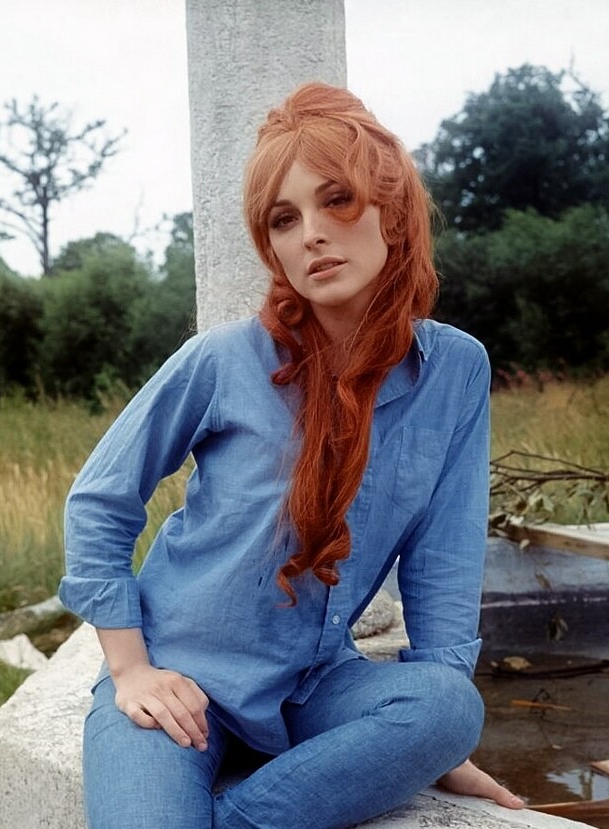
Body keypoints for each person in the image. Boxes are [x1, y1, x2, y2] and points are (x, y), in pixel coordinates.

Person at [59, 82, 525, 829]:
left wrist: (429, 744)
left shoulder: (454, 371)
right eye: (284, 218)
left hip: (312, 688)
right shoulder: (223, 359)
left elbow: (443, 557)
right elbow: (100, 499)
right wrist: (131, 668)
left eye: (336, 201)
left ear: (392, 212)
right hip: (179, 680)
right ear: (270, 244)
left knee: (449, 706)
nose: (311, 233)